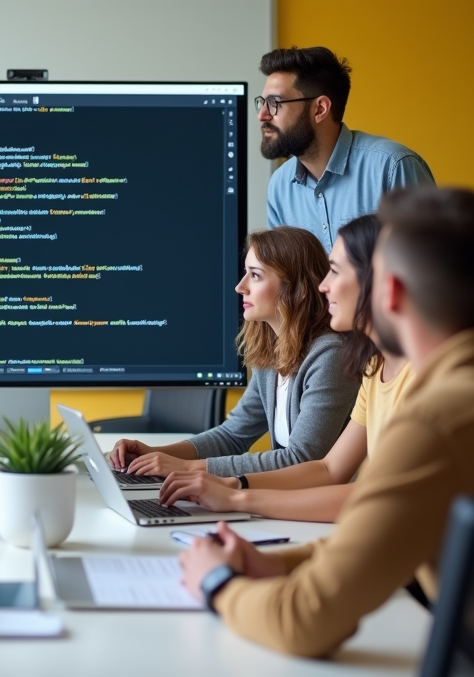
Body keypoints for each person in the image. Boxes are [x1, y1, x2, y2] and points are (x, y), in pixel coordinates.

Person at [179, 187, 474, 657]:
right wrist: (272, 563)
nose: (323, 286)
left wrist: (217, 581)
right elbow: (381, 529)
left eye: (338, 272)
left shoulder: (434, 424)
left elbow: (304, 622)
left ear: (389, 292)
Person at [158, 214, 415, 522]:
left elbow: (314, 465)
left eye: (255, 275)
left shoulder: (335, 355)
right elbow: (326, 468)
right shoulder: (373, 366)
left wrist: (225, 487)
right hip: (323, 514)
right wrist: (159, 455)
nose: (324, 286)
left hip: (329, 515)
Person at [110, 226, 360, 477]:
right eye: (245, 274)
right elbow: (232, 435)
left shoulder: (329, 356)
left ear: (294, 286)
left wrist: (188, 468)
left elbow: (301, 459)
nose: (240, 287)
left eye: (256, 275)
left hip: (321, 508)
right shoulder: (272, 352)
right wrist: (154, 453)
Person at [259, 46, 435, 252]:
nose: (262, 115)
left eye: (274, 103)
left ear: (320, 109)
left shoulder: (393, 167)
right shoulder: (280, 187)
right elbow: (284, 277)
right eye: (261, 103)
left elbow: (431, 267)